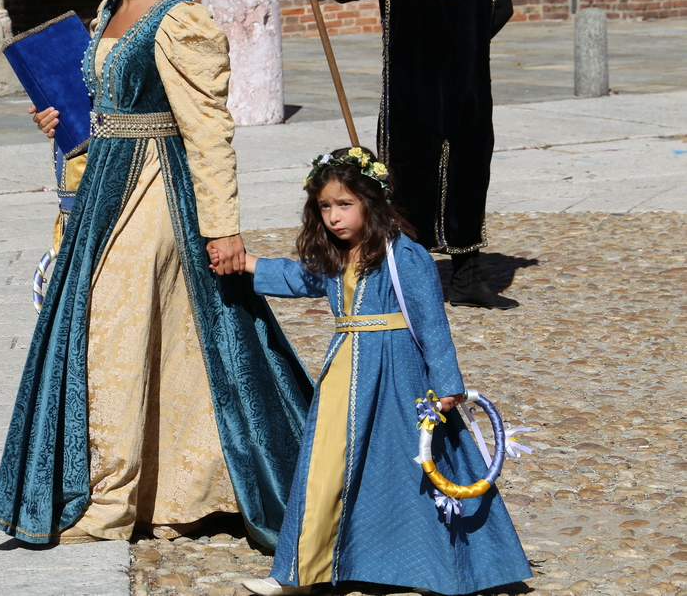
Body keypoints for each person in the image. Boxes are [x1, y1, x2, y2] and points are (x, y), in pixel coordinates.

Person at [0, 0, 314, 547]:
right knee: (153, 340)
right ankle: (164, 495)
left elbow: (209, 136)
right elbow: (103, 100)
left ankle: (107, 503)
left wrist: (223, 229)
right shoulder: (108, 9)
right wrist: (65, 121)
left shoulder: (179, 22)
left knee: (112, 334)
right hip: (104, 184)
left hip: (154, 195)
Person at [226, 147, 530, 596]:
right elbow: (300, 277)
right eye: (325, 206)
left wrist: (447, 384)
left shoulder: (403, 255)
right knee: (324, 463)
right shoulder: (335, 253)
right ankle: (296, 573)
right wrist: (247, 263)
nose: (333, 216)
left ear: (372, 201)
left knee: (411, 469)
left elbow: (431, 321)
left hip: (401, 375)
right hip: (345, 371)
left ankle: (436, 571)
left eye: (344, 204)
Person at [283, 0, 517, 309]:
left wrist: (464, 46)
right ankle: (407, 276)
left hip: (470, 93)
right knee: (411, 182)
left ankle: (468, 277)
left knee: (470, 174)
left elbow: (501, 9)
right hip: (413, 96)